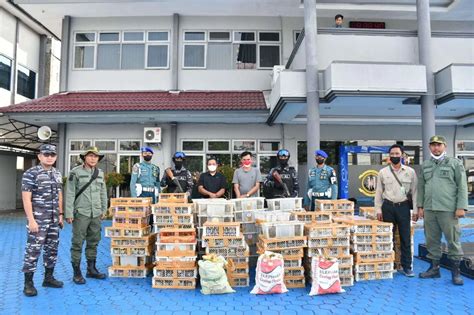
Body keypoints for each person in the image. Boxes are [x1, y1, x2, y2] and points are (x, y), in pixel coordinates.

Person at [417, 135, 468, 285]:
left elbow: (462, 186)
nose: (436, 148)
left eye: (439, 145)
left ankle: (456, 272)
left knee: (452, 240)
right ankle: (434, 269)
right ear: (429, 147)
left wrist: (461, 207)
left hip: (448, 210)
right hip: (430, 209)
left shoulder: (454, 163)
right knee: (431, 240)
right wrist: (420, 206)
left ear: (444, 146)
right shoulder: (425, 165)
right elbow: (421, 188)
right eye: (433, 145)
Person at [21, 144, 64, 297]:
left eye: (52, 154)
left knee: (52, 250)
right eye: (46, 154)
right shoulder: (31, 173)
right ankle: (28, 283)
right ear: (39, 156)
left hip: (53, 220)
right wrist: (31, 220)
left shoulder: (57, 173)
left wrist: (60, 215)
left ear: (56, 157)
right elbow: (26, 199)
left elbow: (59, 194)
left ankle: (48, 278)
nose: (49, 157)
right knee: (33, 250)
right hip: (38, 219)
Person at [65, 146, 107, 284]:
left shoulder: (100, 173)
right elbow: (70, 193)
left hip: (95, 213)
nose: (93, 158)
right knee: (77, 242)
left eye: (96, 156)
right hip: (81, 213)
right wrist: (69, 212)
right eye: (90, 156)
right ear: (84, 158)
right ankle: (76, 272)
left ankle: (91, 269)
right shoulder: (75, 172)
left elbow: (103, 192)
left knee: (94, 241)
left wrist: (103, 209)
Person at [374, 144, 417, 277]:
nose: (394, 156)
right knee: (388, 238)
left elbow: (415, 192)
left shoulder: (410, 172)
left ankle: (407, 266)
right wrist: (378, 210)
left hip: (403, 207)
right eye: (392, 154)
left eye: (397, 154)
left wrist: (415, 210)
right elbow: (378, 192)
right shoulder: (383, 172)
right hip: (388, 208)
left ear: (402, 155)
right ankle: (389, 265)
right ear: (389, 156)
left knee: (405, 237)